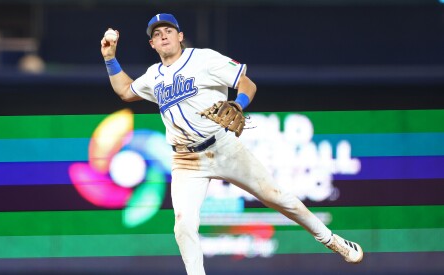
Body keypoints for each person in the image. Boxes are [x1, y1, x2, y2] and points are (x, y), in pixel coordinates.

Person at [100, 13, 363, 275]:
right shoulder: (153, 76)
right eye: (156, 34)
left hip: (223, 147)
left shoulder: (204, 59)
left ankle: (331, 240)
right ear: (152, 45)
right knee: (183, 224)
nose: (163, 36)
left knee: (279, 198)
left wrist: (239, 104)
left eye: (168, 30)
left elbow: (247, 84)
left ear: (180, 36)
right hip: (186, 160)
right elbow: (125, 90)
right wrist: (110, 58)